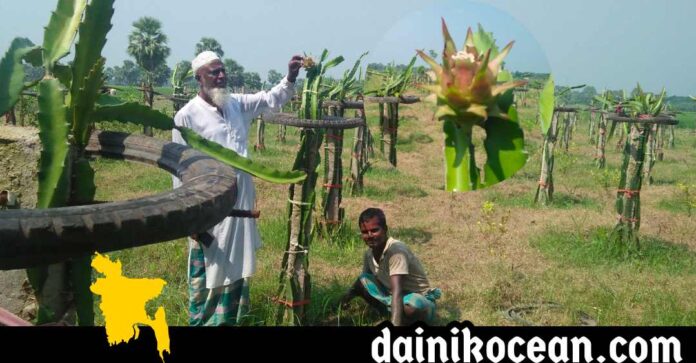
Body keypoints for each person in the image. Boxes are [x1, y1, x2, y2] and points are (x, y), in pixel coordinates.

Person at [172, 51, 302, 326]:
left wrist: (290, 76)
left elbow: (270, 99)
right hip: (207, 205)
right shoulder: (186, 117)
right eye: (213, 72)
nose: (220, 76)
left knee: (237, 266)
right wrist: (187, 216)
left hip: (241, 200)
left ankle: (232, 320)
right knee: (211, 265)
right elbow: (178, 167)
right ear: (198, 78)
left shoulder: (236, 105)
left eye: (222, 71)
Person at [340, 208, 441, 326]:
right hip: (392, 297)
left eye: (374, 230)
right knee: (363, 280)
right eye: (365, 232)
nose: (370, 235)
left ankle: (399, 319)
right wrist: (343, 301)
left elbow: (397, 291)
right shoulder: (369, 254)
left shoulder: (396, 252)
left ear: (385, 230)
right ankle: (392, 314)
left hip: (418, 299)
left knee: (410, 308)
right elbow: (362, 283)